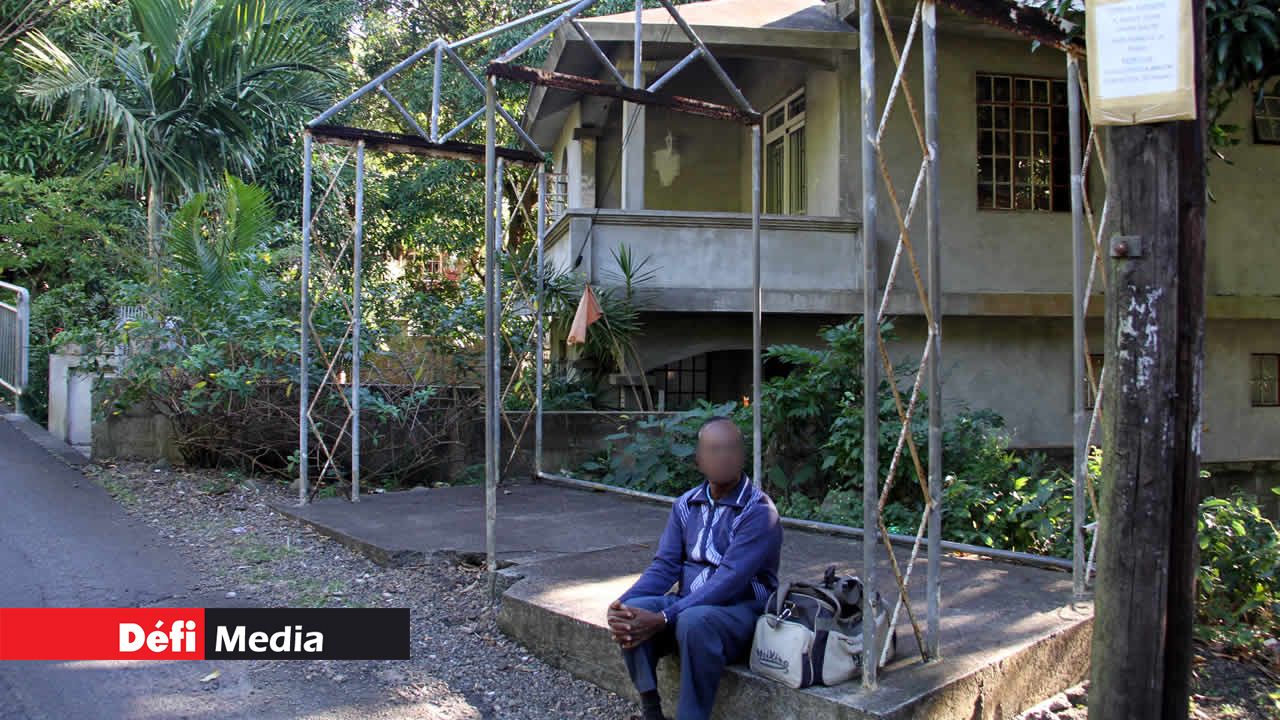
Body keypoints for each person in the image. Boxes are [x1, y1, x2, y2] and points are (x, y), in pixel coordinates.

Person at [607, 417, 783, 720]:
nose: (724, 456)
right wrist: (620, 605)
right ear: (699, 460)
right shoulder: (686, 504)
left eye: (731, 449)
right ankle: (651, 710)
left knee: (693, 621)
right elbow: (664, 567)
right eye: (714, 450)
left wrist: (664, 616)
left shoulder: (758, 511)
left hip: (741, 611)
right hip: (690, 604)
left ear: (742, 457)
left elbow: (729, 581)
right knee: (635, 610)